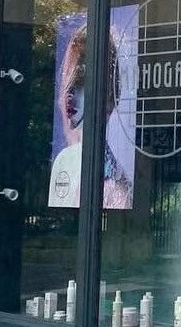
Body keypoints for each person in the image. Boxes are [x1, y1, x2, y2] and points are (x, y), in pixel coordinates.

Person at [48, 23, 133, 209]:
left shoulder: (115, 184)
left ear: (108, 93)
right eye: (67, 82)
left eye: (79, 82)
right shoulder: (66, 159)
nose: (68, 94)